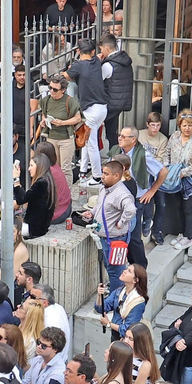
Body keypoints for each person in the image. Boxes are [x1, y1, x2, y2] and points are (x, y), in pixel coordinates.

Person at [154, 111, 192, 250]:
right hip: (175, 177)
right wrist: (167, 167)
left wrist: (184, 172)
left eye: (190, 125)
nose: (187, 128)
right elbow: (167, 152)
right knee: (178, 206)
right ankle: (182, 233)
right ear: (180, 125)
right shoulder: (175, 136)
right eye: (184, 125)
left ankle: (189, 236)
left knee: (189, 208)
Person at [89, 160, 138, 294]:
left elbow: (131, 210)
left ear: (116, 176)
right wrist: (92, 213)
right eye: (103, 173)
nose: (102, 176)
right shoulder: (104, 188)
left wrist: (121, 223)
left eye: (106, 174)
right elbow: (101, 205)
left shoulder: (121, 193)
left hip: (116, 240)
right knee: (110, 267)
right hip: (106, 239)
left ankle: (116, 298)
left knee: (116, 271)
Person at [66, 40, 110, 176]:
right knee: (87, 138)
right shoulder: (96, 61)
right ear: (92, 52)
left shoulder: (78, 65)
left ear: (78, 51)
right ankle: (83, 170)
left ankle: (97, 176)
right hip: (102, 108)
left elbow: (67, 76)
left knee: (92, 145)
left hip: (91, 109)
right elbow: (100, 56)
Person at [37, 75, 82, 186]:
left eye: (55, 89)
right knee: (53, 167)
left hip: (66, 138)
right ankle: (56, 192)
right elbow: (44, 114)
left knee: (65, 169)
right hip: (51, 137)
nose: (51, 91)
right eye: (50, 88)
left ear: (63, 90)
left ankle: (66, 193)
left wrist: (62, 123)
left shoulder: (69, 101)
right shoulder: (46, 100)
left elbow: (78, 118)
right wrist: (44, 121)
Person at [98, 263, 147, 338]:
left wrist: (109, 324)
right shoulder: (119, 291)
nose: (124, 271)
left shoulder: (138, 302)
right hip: (115, 335)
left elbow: (127, 330)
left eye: (129, 271)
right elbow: (101, 309)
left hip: (127, 340)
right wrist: (99, 295)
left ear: (135, 280)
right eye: (126, 269)